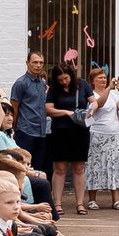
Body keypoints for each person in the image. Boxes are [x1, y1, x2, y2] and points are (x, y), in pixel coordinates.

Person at [40, 64, 90, 217]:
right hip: (60, 131)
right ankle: (57, 203)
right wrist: (66, 112)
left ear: (71, 75)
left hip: (80, 130)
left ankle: (80, 203)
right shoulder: (54, 90)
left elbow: (93, 101)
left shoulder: (82, 84)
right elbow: (48, 109)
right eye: (60, 80)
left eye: (66, 78)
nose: (64, 82)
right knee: (60, 167)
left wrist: (92, 109)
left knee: (79, 167)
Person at [80, 68, 119, 212]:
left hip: (114, 133)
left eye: (104, 77)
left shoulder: (113, 94)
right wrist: (108, 88)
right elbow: (98, 104)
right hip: (97, 134)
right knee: (95, 166)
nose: (103, 80)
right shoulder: (91, 95)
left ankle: (116, 200)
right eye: (99, 78)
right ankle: (92, 200)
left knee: (115, 165)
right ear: (92, 81)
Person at [9, 54, 52, 210]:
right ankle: (22, 200)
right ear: (27, 63)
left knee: (38, 167)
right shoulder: (21, 83)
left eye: (41, 62)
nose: (38, 65)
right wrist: (14, 128)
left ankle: (36, 203)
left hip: (40, 131)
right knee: (23, 167)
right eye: (35, 62)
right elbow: (14, 107)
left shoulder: (41, 83)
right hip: (25, 129)